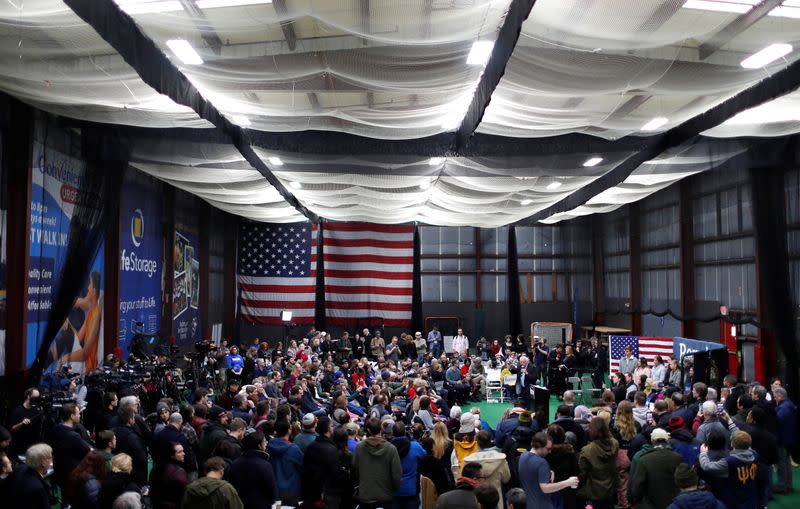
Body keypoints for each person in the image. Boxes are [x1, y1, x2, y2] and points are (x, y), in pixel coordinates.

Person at [698, 431, 759, 509]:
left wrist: (703, 453)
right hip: (750, 497)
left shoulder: (729, 462)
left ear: (732, 444)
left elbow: (707, 466)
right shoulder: (754, 454)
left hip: (735, 501)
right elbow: (746, 444)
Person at [518, 432, 579, 509]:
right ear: (540, 447)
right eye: (548, 449)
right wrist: (568, 482)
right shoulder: (542, 463)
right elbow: (545, 488)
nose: (550, 452)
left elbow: (531, 473)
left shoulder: (523, 456)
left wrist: (548, 472)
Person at [352, 418, 402, 509]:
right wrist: (393, 489)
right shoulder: (391, 448)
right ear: (381, 429)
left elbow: (355, 468)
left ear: (368, 430)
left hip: (366, 494)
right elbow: (397, 474)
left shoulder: (359, 447)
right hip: (384, 495)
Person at [629, 428, 683, 509]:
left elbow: (637, 486)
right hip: (672, 503)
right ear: (667, 440)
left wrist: (636, 500)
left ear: (652, 441)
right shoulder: (677, 457)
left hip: (650, 504)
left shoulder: (644, 459)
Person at [48, 402, 92, 492]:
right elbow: (88, 451)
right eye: (78, 413)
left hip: (59, 470)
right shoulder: (73, 436)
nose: (79, 415)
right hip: (73, 473)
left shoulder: (55, 429)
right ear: (72, 416)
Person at [227, 431, 277, 509]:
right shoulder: (265, 465)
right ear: (259, 445)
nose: (266, 443)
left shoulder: (235, 464)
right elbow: (271, 490)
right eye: (264, 442)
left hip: (240, 504)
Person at [578, 418, 619, 509]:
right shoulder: (615, 444)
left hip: (593, 492)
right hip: (610, 489)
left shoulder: (586, 451)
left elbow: (583, 474)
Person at [303, 416, 343, 508]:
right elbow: (336, 474)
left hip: (311, 492)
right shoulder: (331, 449)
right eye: (332, 426)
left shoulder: (311, 446)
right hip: (326, 494)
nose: (333, 428)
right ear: (329, 428)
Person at [463, 430, 510, 509]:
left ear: (477, 442)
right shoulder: (500, 459)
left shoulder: (469, 461)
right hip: (496, 502)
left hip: (477, 502)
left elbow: (464, 481)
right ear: (490, 441)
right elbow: (506, 479)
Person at [389, 421, 427, 509]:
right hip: (411, 490)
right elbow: (424, 455)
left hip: (394, 490)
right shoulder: (414, 446)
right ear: (405, 432)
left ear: (393, 433)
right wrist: (413, 440)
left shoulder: (388, 448)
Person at [4, 443, 53, 509]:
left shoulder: (19, 468)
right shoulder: (38, 488)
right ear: (43, 463)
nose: (52, 459)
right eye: (50, 457)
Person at [268, 419, 303, 506]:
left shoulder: (270, 445)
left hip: (275, 489)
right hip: (292, 490)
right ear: (288, 430)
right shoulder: (294, 449)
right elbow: (303, 467)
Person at [112, 406, 148, 487]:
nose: (134, 419)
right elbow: (142, 458)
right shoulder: (132, 436)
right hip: (133, 473)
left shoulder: (114, 431)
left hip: (119, 469)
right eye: (133, 417)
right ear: (129, 420)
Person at [148, 442, 188, 509]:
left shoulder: (156, 467)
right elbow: (184, 493)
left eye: (183, 451)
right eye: (180, 452)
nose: (183, 454)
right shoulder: (178, 472)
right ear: (171, 455)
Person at [773, 387, 796, 494]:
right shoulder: (789, 405)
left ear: (780, 396)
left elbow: (777, 420)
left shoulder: (784, 407)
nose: (774, 398)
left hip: (782, 439)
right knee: (786, 463)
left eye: (775, 396)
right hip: (788, 438)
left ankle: (782, 486)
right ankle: (788, 485)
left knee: (782, 463)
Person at [9, 387, 43, 457]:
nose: (36, 399)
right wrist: (22, 423)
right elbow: (12, 428)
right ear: (28, 396)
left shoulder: (37, 411)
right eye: (34, 397)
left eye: (37, 397)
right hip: (18, 445)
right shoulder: (18, 410)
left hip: (31, 446)